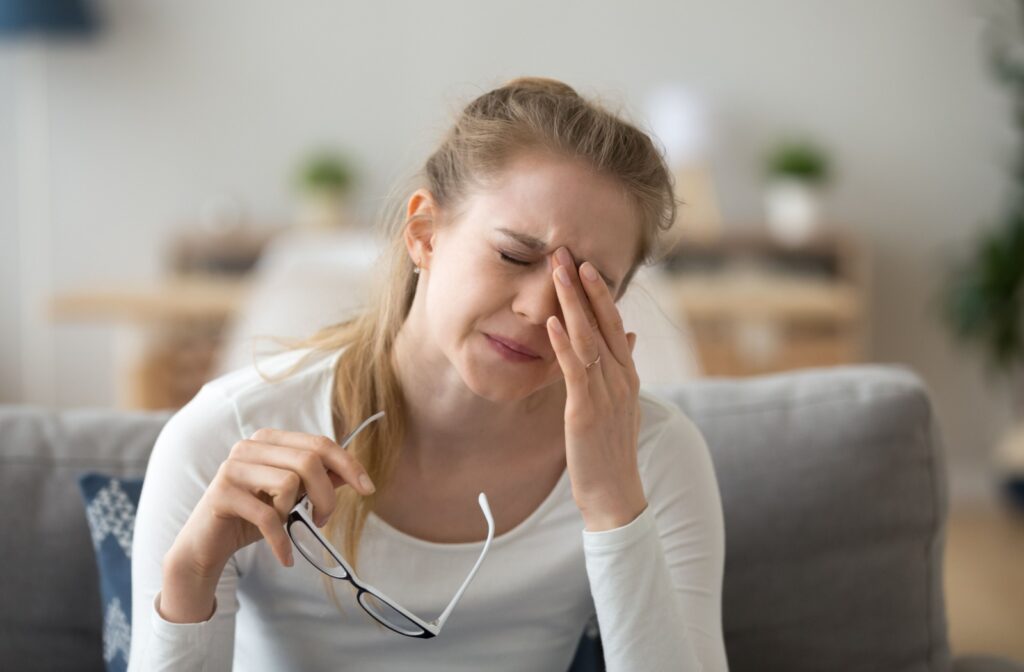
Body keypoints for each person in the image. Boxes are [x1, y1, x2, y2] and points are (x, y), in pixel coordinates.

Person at [128, 76, 728, 671]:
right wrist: (190, 577)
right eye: (514, 256)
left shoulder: (650, 455)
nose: (537, 309)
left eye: (589, 287)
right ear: (423, 234)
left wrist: (612, 500)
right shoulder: (225, 434)